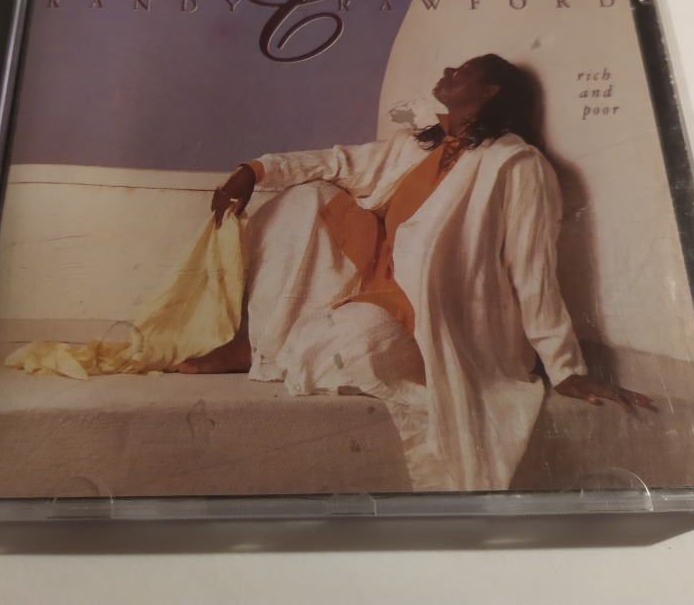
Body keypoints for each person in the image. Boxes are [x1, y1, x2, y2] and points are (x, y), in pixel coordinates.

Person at [179, 53, 654, 491]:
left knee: (352, 348)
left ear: (490, 91)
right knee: (306, 198)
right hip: (376, 283)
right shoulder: (419, 144)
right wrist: (255, 170)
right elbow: (338, 161)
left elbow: (534, 271)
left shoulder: (516, 165)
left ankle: (281, 343)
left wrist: (565, 369)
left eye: (463, 71)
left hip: (437, 318)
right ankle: (255, 341)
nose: (448, 71)